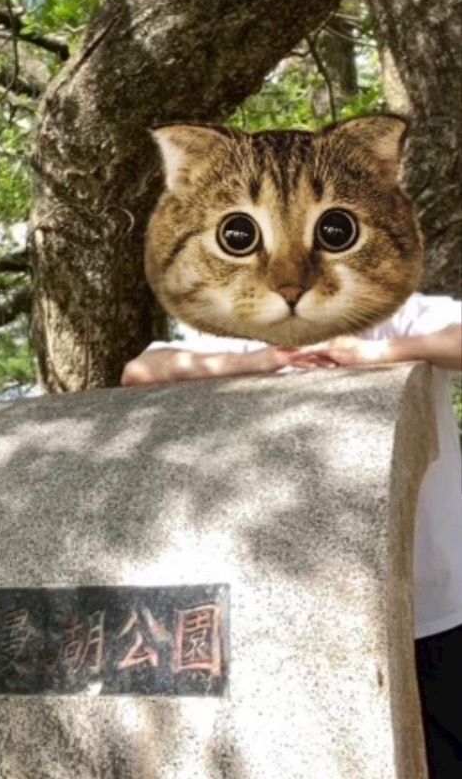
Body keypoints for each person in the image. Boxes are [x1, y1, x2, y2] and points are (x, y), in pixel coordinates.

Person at [122, 292, 462, 778]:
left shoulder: (397, 315)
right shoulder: (245, 329)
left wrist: (381, 352)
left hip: (437, 605)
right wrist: (261, 361)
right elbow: (141, 369)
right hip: (320, 621)